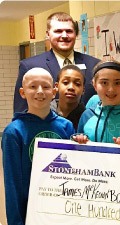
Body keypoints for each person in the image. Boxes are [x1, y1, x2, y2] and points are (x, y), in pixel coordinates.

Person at [2, 68, 74, 225]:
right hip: (30, 212)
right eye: (33, 86)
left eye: (46, 87)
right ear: (22, 92)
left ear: (55, 90)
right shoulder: (14, 132)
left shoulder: (66, 127)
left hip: (62, 209)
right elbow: (12, 184)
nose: (40, 92)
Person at [13, 12, 100, 113]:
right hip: (46, 128)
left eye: (69, 31)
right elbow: (21, 110)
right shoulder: (30, 66)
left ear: (76, 34)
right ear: (48, 34)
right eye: (58, 31)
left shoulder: (94, 65)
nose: (64, 35)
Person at [51, 64, 85, 131]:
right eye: (66, 82)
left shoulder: (87, 118)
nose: (71, 87)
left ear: (83, 90)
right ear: (56, 86)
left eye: (77, 84)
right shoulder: (45, 114)